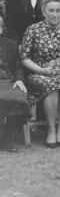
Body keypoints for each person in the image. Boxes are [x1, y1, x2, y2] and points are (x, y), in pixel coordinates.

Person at [21, 0, 60, 147]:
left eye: (58, 10)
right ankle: (51, 129)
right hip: (39, 73)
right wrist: (42, 70)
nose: (54, 14)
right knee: (52, 85)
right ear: (43, 11)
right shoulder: (33, 29)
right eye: (51, 10)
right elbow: (25, 58)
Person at [0, 10, 29, 152]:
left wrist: (19, 80)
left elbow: (18, 66)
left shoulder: (10, 44)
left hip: (8, 80)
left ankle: (7, 137)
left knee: (19, 98)